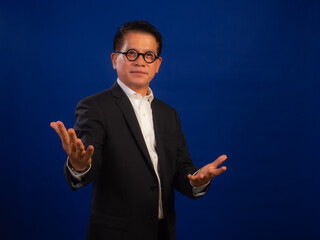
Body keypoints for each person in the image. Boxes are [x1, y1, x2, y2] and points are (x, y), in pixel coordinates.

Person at [50, 20, 227, 240]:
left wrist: (196, 180)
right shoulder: (94, 106)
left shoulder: (168, 114)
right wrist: (79, 166)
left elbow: (181, 169)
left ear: (157, 64)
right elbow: (89, 163)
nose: (140, 62)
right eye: (131, 53)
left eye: (148, 55)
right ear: (115, 59)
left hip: (162, 233)